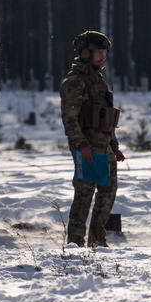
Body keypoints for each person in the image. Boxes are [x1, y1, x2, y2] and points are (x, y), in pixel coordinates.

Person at [60, 30, 124, 247]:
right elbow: (70, 120)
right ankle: (75, 243)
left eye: (104, 52)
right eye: (98, 52)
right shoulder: (75, 82)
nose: (102, 56)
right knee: (84, 195)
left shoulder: (99, 82)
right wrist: (81, 145)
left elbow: (106, 118)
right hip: (87, 147)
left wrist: (114, 146)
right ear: (85, 53)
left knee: (108, 194)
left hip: (103, 147)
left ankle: (97, 239)